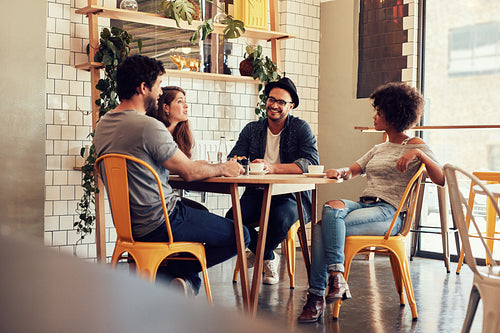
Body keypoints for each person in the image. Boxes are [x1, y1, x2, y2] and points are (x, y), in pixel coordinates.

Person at [94, 55, 250, 296]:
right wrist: (222, 167)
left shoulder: (103, 125)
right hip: (161, 220)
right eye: (157, 85)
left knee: (202, 212)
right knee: (242, 235)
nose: (159, 93)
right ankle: (169, 275)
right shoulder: (148, 126)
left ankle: (175, 278)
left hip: (129, 226)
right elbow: (188, 172)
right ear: (143, 88)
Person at [297, 82, 445, 323]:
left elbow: (441, 179)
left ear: (394, 114)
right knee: (330, 208)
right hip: (365, 205)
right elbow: (354, 169)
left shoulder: (416, 145)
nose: (374, 116)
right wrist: (341, 171)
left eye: (379, 112)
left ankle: (316, 298)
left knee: (323, 228)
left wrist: (419, 155)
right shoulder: (379, 147)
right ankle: (336, 277)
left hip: (390, 214)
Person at [226, 77, 320, 285]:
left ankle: (257, 252)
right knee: (232, 218)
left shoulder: (300, 128)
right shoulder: (252, 129)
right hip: (257, 193)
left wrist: (272, 167)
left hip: (292, 196)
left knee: (279, 218)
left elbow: (310, 162)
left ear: (291, 106)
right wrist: (244, 165)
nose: (274, 105)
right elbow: (234, 159)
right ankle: (267, 255)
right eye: (271, 100)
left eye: (281, 102)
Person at [146, 86, 207, 211]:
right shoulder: (155, 133)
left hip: (169, 196)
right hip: (156, 199)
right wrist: (183, 167)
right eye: (180, 101)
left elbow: (190, 163)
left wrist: (189, 166)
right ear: (166, 107)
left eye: (185, 101)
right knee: (201, 211)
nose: (186, 106)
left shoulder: (185, 131)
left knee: (201, 210)